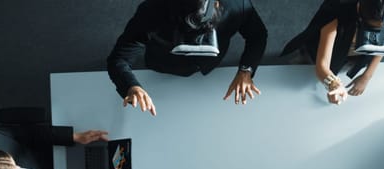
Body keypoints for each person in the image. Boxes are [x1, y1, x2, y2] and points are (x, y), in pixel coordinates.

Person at [107, 0, 268, 115]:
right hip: (163, 64)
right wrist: (131, 86)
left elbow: (258, 35)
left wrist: (246, 70)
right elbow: (119, 59)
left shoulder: (237, 5)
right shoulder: (152, 11)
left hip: (210, 68)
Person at [281, 0, 384, 105]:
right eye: (374, 29)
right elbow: (322, 65)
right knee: (295, 76)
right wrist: (333, 84)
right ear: (359, 13)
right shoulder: (336, 13)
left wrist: (367, 76)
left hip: (355, 56)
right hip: (319, 51)